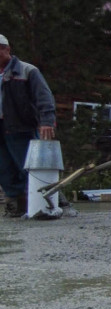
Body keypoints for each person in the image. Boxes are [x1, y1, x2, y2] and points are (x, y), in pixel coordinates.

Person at [0, 34, 58, 217]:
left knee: (30, 169)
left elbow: (44, 97)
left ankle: (50, 204)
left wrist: (47, 121)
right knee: (4, 169)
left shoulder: (26, 70)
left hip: (21, 127)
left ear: (7, 49)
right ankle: (15, 206)